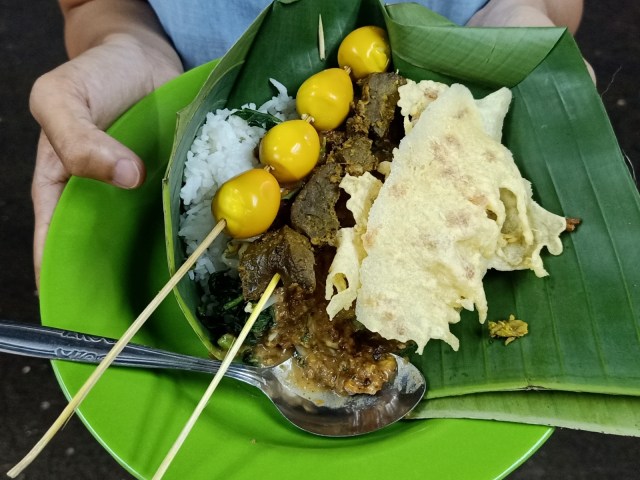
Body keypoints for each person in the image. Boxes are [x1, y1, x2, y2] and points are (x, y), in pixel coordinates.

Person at [30, 0, 587, 287]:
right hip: (196, 125)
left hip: (446, 119)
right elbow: (90, 4)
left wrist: (522, 33)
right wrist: (124, 42)